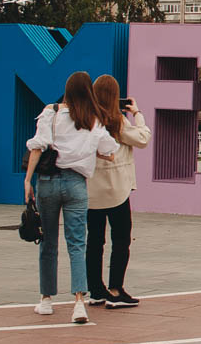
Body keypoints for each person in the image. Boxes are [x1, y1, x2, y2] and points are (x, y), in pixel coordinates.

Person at [25, 73, 118, 325]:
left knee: (48, 242)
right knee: (77, 243)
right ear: (88, 92)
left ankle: (46, 299)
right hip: (77, 184)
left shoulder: (51, 112)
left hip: (48, 182)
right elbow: (110, 152)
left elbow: (38, 146)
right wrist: (86, 152)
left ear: (66, 90)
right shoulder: (93, 120)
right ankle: (79, 303)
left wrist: (27, 181)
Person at [86, 76, 152, 309]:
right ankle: (115, 289)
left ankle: (95, 290)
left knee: (94, 241)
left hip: (91, 191)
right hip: (117, 191)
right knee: (121, 239)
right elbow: (143, 138)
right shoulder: (117, 122)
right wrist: (138, 113)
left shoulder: (88, 121)